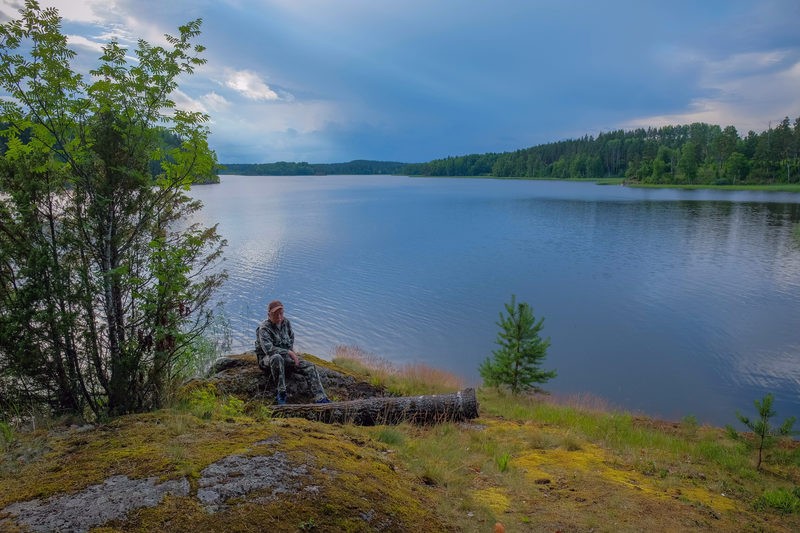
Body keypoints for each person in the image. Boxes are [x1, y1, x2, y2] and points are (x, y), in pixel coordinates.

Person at [255, 300, 330, 405]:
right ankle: (281, 394)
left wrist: (291, 356)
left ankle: (321, 398)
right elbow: (269, 350)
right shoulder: (264, 328)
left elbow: (291, 339)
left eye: (281, 313)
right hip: (268, 360)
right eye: (276, 314)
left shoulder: (286, 323)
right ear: (269, 315)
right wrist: (289, 352)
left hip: (285, 358)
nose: (279, 317)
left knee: (309, 366)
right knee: (277, 357)